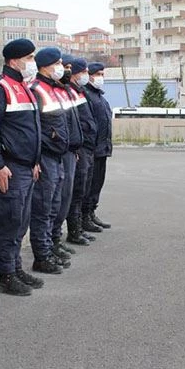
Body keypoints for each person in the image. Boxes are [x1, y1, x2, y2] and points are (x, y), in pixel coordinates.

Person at [0, 38, 45, 295]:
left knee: (20, 222)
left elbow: (32, 128)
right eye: (29, 58)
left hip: (26, 166)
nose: (32, 62)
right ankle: (6, 274)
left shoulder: (24, 86)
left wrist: (35, 161)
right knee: (9, 222)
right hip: (9, 168)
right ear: (14, 61)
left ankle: (16, 267)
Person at [28, 47, 70, 274]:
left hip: (57, 155)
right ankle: (41, 255)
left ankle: (50, 247)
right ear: (45, 65)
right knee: (43, 208)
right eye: (57, 63)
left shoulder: (52, 89)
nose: (61, 68)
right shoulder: (36, 89)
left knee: (54, 205)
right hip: (45, 156)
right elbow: (35, 127)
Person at [49, 54, 85, 260]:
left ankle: (54, 241)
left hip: (70, 151)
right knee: (53, 203)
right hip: (55, 153)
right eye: (63, 66)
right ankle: (48, 247)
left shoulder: (64, 91)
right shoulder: (43, 90)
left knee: (64, 199)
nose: (66, 70)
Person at [65, 57, 96, 247]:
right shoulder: (70, 92)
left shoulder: (80, 92)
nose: (87, 75)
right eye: (83, 71)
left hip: (87, 146)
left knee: (83, 188)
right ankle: (74, 230)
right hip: (79, 148)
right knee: (75, 192)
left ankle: (80, 225)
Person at [82, 63, 113, 231]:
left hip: (102, 149)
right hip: (92, 149)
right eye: (98, 74)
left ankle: (91, 212)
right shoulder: (86, 94)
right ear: (90, 75)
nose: (101, 77)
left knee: (97, 185)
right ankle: (84, 216)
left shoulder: (100, 96)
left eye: (103, 74)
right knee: (88, 186)